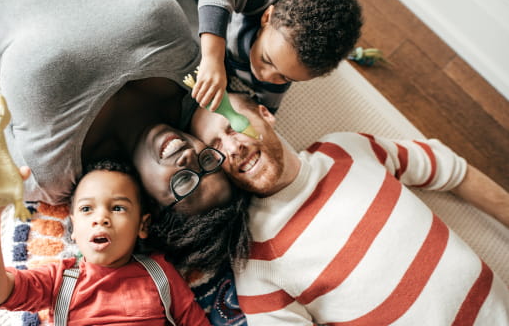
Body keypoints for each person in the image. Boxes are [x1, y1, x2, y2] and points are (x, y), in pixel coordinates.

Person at [0, 0, 239, 215]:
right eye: (208, 162)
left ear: (148, 207)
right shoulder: (200, 78)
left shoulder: (47, 171)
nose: (191, 159)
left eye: (184, 184)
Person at [164, 92, 509, 324]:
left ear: (265, 114)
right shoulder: (254, 259)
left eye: (233, 127)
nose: (233, 147)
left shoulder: (344, 149)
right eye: (215, 149)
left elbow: (448, 168)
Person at [0, 153, 212, 325]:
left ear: (142, 225)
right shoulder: (60, 280)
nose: (100, 218)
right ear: (73, 228)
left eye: (118, 208)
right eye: (87, 209)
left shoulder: (160, 274)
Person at [189, 0, 362, 113]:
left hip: (197, 11)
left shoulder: (276, 85)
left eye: (285, 78)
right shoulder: (268, 2)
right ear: (267, 17)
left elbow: (264, 111)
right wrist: (213, 59)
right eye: (266, 60)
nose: (266, 76)